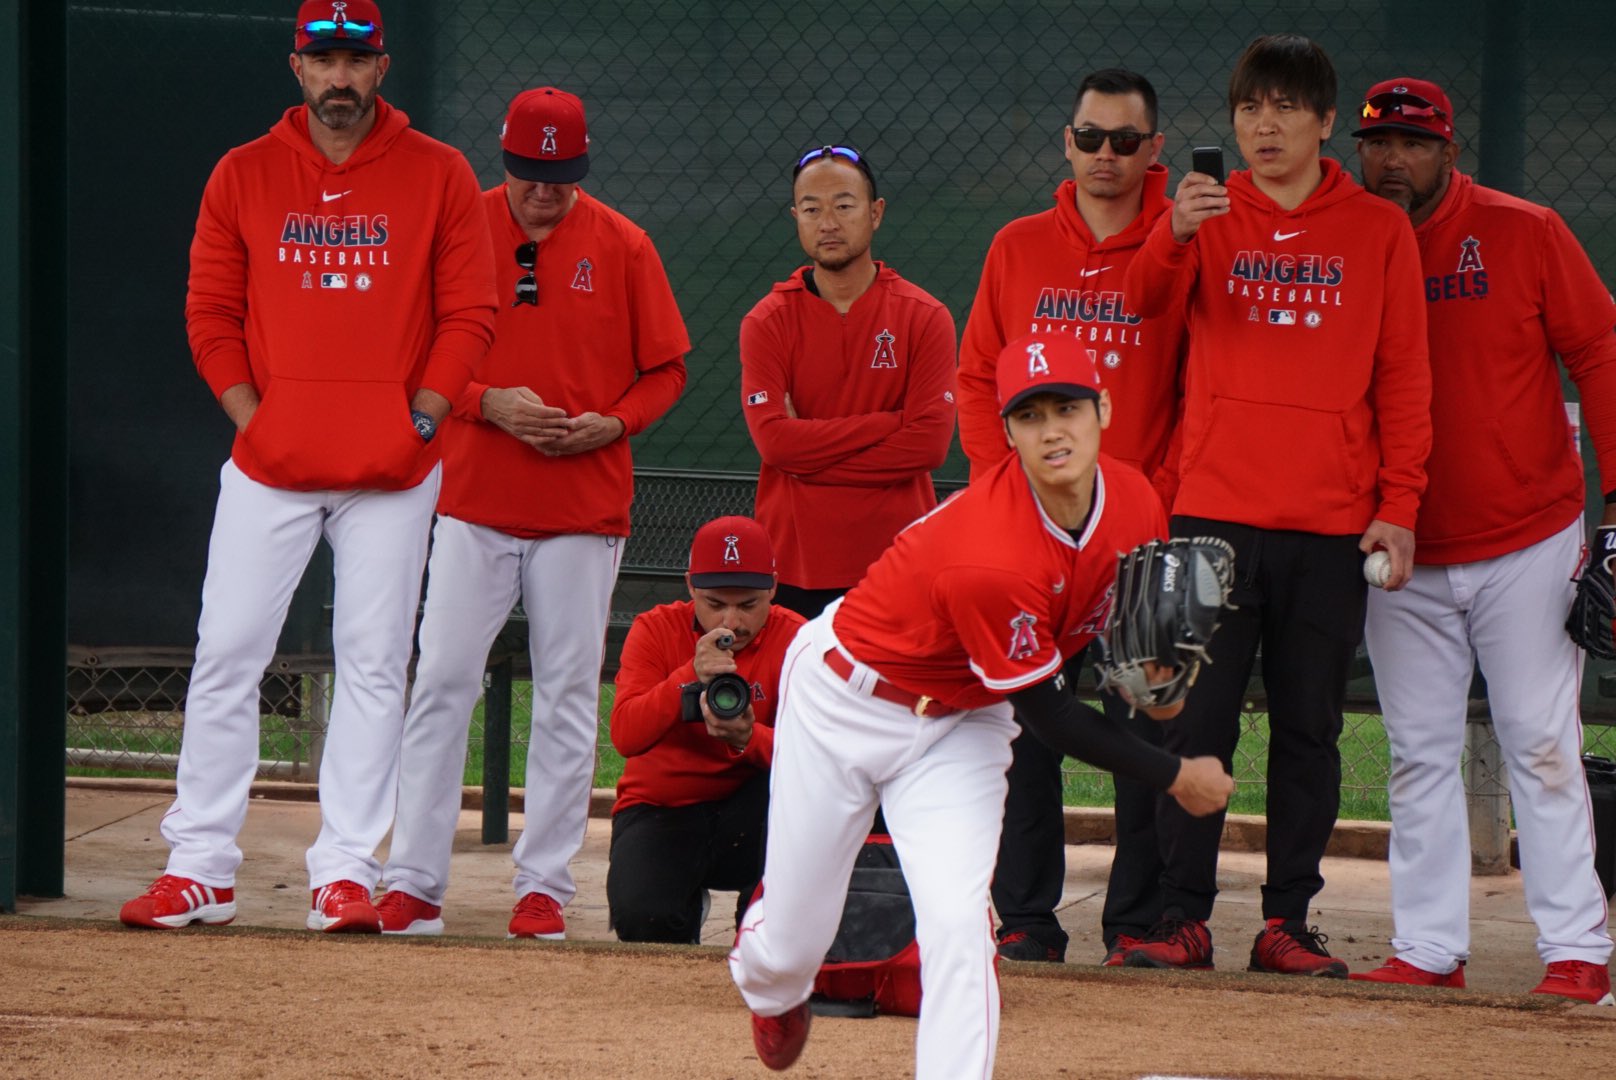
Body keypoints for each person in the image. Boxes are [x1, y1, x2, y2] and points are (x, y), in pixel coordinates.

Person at [729, 331, 1235, 1078]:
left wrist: (1152, 689)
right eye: (1031, 417)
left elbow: (1110, 633)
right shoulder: (987, 557)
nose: (1052, 430)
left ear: (1104, 409)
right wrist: (1173, 773)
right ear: (1007, 435)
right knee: (794, 947)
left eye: (1068, 407)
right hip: (843, 698)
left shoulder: (1135, 500)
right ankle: (772, 987)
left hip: (960, 722)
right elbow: (1051, 717)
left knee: (958, 923)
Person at [120, 0, 497, 933]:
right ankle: (201, 863)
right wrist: (258, 418)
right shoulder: (244, 172)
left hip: (392, 471)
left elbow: (471, 315)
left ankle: (345, 871)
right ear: (296, 65)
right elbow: (209, 311)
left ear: (382, 67)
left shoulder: (440, 174)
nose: (339, 78)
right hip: (270, 464)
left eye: (355, 60)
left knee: (374, 665)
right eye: (322, 60)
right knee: (227, 654)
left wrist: (422, 418)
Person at [1118, 34, 1433, 976]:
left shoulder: (1378, 229)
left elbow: (1405, 377)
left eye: (1287, 107)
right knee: (1192, 726)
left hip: (1332, 524)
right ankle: (1183, 919)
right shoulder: (1206, 214)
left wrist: (1399, 501)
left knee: (1310, 731)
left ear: (1327, 122)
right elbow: (1140, 307)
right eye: (1251, 108)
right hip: (1210, 515)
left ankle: (1287, 921)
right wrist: (1173, 232)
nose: (1265, 126)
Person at [371, 86, 689, 937]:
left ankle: (543, 886)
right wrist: (483, 401)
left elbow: (666, 370)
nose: (544, 190)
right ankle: (413, 879)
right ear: (505, 157)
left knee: (566, 694)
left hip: (583, 506)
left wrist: (612, 422)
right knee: (440, 681)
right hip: (473, 495)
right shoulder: (457, 224)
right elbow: (407, 354)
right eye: (530, 173)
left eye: (561, 175)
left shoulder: (623, 243)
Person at [1349, 77, 1616, 1004]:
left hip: (1527, 537)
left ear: (1449, 153)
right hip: (1400, 543)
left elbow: (1602, 349)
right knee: (1418, 750)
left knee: (1541, 743)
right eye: (1378, 144)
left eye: (1414, 145)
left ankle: (1577, 945)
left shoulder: (1523, 229)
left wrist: (1614, 511)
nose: (1393, 162)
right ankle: (1427, 946)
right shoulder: (1348, 237)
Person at [958, 68, 1189, 966]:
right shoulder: (1018, 246)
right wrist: (1004, 485)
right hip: (1032, 535)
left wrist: (1150, 497)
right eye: (1090, 138)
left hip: (1136, 535)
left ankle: (1134, 918)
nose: (1105, 156)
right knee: (1025, 723)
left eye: (1125, 141)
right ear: (1067, 142)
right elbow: (981, 377)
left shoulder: (1181, 242)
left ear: (1154, 150)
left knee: (1144, 718)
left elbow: (1197, 383)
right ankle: (1025, 916)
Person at [739, 144, 956, 620]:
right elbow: (776, 444)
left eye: (843, 205)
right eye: (812, 209)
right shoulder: (767, 321)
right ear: (795, 216)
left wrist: (808, 464)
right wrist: (889, 423)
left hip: (896, 560)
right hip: (794, 566)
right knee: (795, 696)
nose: (828, 223)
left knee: (897, 697)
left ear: (875, 213)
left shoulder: (925, 316)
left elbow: (928, 445)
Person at [605, 516, 806, 943]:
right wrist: (689, 675)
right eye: (715, 602)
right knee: (646, 923)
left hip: (755, 805)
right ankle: (684, 900)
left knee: (777, 931)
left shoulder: (799, 638)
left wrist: (750, 739)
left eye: (749, 604)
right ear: (690, 586)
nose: (731, 622)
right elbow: (625, 735)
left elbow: (822, 756)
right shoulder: (655, 628)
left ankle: (757, 920)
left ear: (773, 586)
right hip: (666, 803)